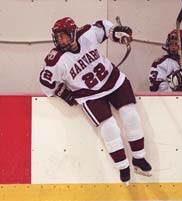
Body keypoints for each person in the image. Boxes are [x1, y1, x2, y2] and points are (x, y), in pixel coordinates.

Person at [39, 17, 152, 183]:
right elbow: (46, 84)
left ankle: (139, 158)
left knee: (131, 115)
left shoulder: (86, 34)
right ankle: (123, 166)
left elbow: (105, 28)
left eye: (64, 35)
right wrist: (64, 94)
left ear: (73, 33)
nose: (60, 40)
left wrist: (117, 33)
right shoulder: (56, 61)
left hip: (113, 80)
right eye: (58, 36)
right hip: (88, 95)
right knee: (110, 128)